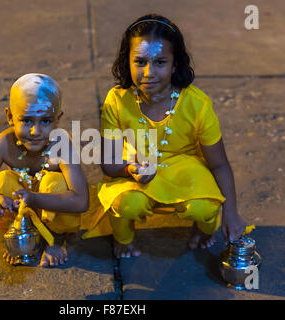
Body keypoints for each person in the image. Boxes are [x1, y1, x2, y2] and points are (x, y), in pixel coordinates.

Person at [82, 14, 248, 259]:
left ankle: (202, 230)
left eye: (160, 62)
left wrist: (232, 212)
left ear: (175, 64)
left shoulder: (197, 104)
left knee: (205, 207)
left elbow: (220, 164)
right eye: (139, 61)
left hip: (185, 164)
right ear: (126, 62)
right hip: (136, 162)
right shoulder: (117, 100)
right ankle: (124, 238)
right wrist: (130, 170)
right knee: (127, 204)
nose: (149, 72)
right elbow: (109, 164)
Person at [0, 73, 89, 267]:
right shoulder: (5, 143)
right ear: (9, 117)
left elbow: (81, 200)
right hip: (19, 212)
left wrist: (33, 198)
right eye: (27, 121)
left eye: (46, 121)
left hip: (52, 213)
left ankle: (55, 241)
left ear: (58, 119)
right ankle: (17, 237)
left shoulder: (61, 145)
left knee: (53, 183)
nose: (35, 132)